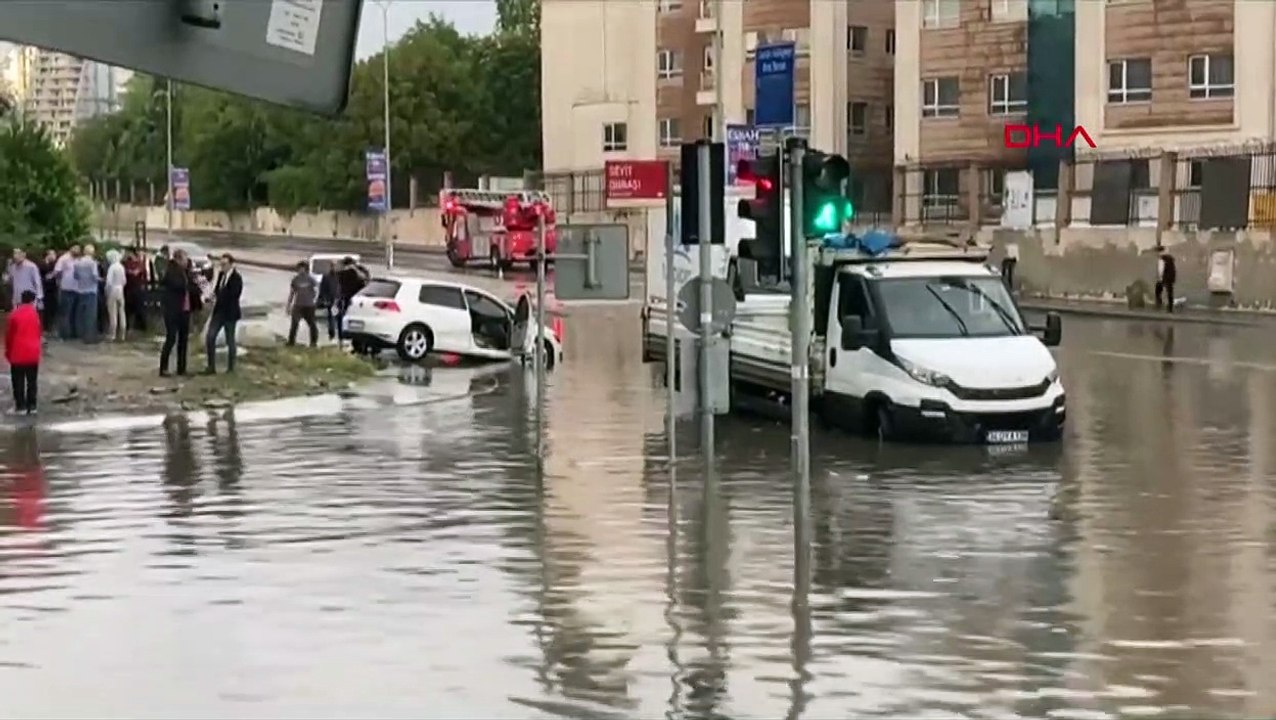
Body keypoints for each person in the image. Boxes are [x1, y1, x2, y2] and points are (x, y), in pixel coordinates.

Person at [204, 253, 243, 374]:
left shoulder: (237, 278)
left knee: (230, 340)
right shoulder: (221, 275)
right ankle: (211, 367)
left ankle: (230, 368)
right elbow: (217, 290)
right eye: (221, 264)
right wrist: (211, 297)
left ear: (231, 265)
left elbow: (234, 295)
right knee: (210, 337)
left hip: (230, 313)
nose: (222, 267)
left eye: (225, 264)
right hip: (218, 312)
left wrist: (220, 296)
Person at [4, 290, 42, 415]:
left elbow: (9, 336)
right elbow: (38, 333)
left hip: (18, 353)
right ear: (32, 301)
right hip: (33, 353)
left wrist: (8, 352)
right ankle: (33, 405)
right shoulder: (35, 314)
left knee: (18, 380)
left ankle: (20, 406)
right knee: (32, 380)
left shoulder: (14, 315)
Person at [159, 250, 193, 377]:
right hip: (173, 310)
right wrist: (188, 281)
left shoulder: (186, 271)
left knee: (183, 340)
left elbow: (196, 284)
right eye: (185, 259)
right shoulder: (172, 271)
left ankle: (182, 368)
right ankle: (163, 368)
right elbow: (179, 286)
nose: (187, 261)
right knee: (171, 338)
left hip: (185, 309)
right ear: (178, 260)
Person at [287, 261, 320, 347]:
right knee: (294, 323)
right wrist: (289, 305)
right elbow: (292, 293)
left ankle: (313, 343)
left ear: (306, 269)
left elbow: (316, 291)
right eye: (299, 269)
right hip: (298, 305)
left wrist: (314, 300)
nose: (300, 270)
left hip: (309, 306)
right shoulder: (295, 279)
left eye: (302, 268)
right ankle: (291, 342)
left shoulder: (311, 279)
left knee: (312, 324)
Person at [335, 256, 370, 339]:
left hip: (356, 299)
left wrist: (355, 269)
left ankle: (354, 338)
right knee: (342, 317)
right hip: (346, 298)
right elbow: (337, 275)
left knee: (356, 319)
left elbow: (365, 279)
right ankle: (342, 337)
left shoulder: (359, 270)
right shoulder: (343, 273)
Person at [73, 244, 101, 343]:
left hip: (81, 290)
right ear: (92, 252)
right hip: (91, 291)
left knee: (81, 314)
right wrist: (101, 280)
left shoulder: (77, 263)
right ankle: (89, 337)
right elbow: (94, 276)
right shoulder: (92, 263)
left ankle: (80, 334)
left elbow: (75, 276)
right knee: (90, 315)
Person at [54, 244, 80, 339]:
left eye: (78, 249)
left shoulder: (78, 259)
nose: (77, 250)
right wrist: (59, 282)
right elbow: (57, 271)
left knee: (74, 312)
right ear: (71, 248)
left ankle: (74, 333)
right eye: (75, 248)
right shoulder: (63, 259)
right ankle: (64, 334)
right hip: (66, 288)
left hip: (76, 289)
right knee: (65, 312)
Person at [8, 249, 43, 315]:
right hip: (17, 299)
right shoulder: (12, 268)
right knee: (17, 319)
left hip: (29, 300)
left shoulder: (31, 266)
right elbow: (11, 282)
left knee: (27, 320)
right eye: (14, 253)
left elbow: (38, 283)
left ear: (24, 254)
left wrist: (39, 298)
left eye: (18, 253)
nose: (15, 256)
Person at [104, 249, 128, 341]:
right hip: (120, 289)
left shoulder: (112, 267)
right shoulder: (121, 267)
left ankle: (112, 334)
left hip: (113, 290)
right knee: (122, 312)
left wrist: (106, 291)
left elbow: (109, 282)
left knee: (112, 313)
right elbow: (124, 281)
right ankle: (122, 334)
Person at [123, 248, 148, 332]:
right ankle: (128, 325)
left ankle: (141, 325)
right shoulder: (126, 263)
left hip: (136, 288)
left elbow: (138, 273)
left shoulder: (139, 264)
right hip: (129, 288)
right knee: (128, 308)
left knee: (139, 308)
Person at [317, 264, 342, 341]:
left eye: (335, 266)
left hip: (339, 300)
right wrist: (322, 299)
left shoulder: (340, 277)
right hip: (330, 300)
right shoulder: (326, 277)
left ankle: (340, 335)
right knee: (331, 317)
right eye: (332, 266)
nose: (334, 268)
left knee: (340, 317)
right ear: (330, 267)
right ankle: (332, 334)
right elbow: (322, 289)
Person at [38, 249, 58, 328]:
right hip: (44, 288)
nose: (54, 256)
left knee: (52, 307)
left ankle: (50, 325)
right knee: (45, 308)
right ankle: (45, 325)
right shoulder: (42, 264)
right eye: (52, 254)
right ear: (48, 255)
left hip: (52, 288)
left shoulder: (54, 264)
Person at [1154, 248, 1177, 313]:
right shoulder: (1170, 259)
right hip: (1170, 278)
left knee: (1158, 291)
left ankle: (1159, 304)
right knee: (1169, 293)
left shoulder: (1161, 259)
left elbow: (1161, 269)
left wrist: (1160, 278)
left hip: (1164, 278)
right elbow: (1173, 270)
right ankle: (1170, 308)